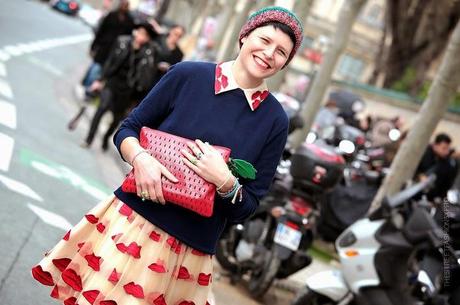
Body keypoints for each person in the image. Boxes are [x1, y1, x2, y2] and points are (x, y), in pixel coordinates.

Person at [31, 6, 303, 305]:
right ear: (244, 36)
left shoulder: (275, 120)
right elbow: (128, 129)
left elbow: (248, 205)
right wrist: (141, 160)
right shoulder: (188, 75)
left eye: (281, 51)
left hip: (190, 251)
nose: (268, 53)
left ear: (286, 62)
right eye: (263, 40)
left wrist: (225, 182)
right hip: (133, 223)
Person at [81, 22, 158, 151]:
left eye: (145, 35)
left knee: (116, 119)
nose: (141, 36)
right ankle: (89, 139)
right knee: (101, 109)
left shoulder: (149, 52)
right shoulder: (122, 42)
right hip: (113, 82)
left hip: (128, 89)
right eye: (140, 32)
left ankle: (106, 138)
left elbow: (147, 74)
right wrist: (100, 80)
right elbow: (110, 61)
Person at [68, 0, 135, 130]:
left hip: (115, 57)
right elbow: (101, 31)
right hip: (103, 53)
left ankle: (94, 95)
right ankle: (88, 95)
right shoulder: (111, 15)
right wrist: (94, 46)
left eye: (127, 4)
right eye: (123, 4)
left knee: (102, 77)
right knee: (94, 73)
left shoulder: (129, 21)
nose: (124, 6)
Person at [416, 133, 458, 200]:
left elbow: (446, 183)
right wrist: (419, 175)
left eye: (448, 149)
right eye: (444, 148)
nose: (446, 152)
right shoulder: (424, 153)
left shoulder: (447, 162)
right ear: (435, 146)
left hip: (429, 198)